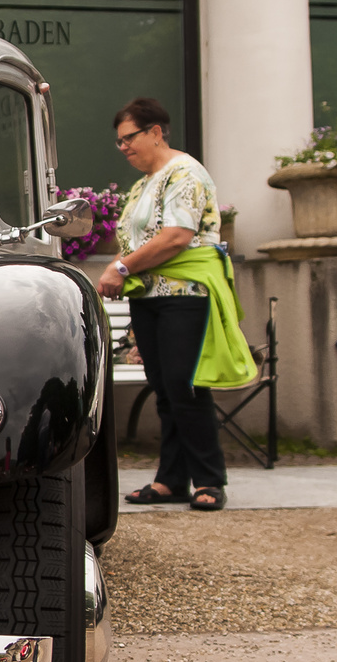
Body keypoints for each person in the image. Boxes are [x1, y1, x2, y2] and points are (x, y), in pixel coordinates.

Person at [97, 98, 244, 511]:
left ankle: (210, 479)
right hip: (150, 295)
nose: (123, 147)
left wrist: (120, 269)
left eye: (130, 138)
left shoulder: (185, 173)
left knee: (186, 385)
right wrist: (123, 268)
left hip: (185, 294)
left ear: (156, 132)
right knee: (166, 389)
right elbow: (139, 239)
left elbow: (177, 236)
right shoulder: (145, 182)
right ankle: (171, 480)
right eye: (119, 142)